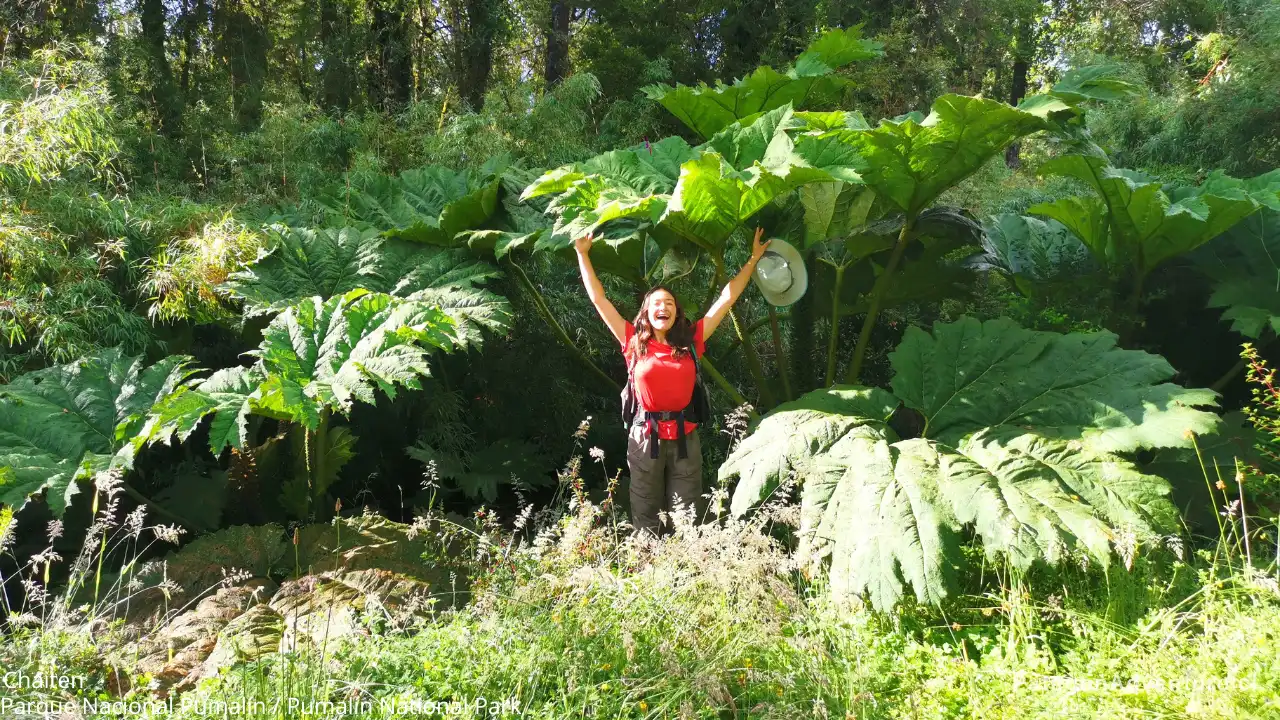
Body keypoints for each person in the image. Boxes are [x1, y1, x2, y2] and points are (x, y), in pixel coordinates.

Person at [574, 228, 771, 536]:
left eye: (668, 303)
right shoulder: (632, 341)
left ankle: (684, 565)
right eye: (655, 303)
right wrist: (582, 254)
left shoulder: (691, 341)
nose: (662, 307)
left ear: (677, 311)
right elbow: (599, 299)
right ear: (646, 313)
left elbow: (726, 298)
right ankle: (647, 565)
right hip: (644, 436)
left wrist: (753, 259)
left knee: (687, 512)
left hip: (685, 437)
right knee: (644, 509)